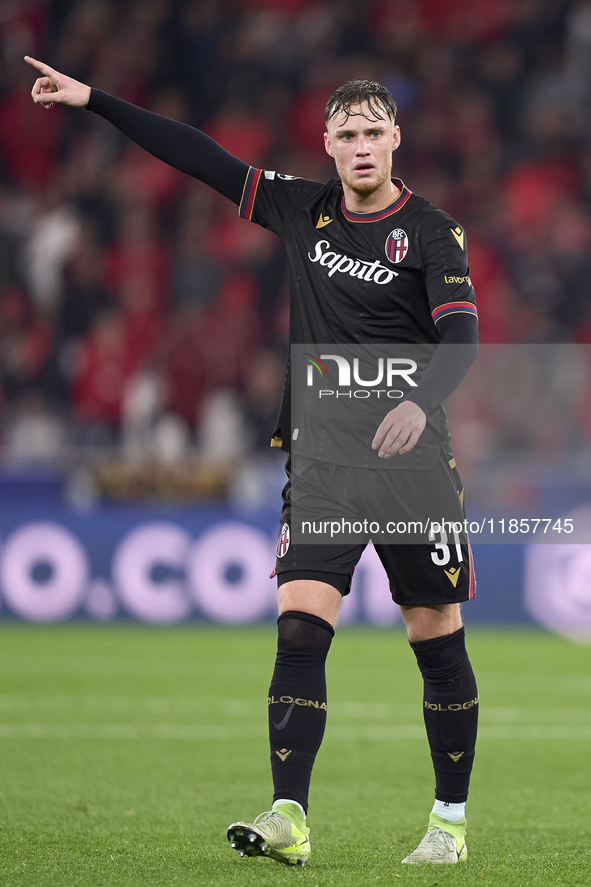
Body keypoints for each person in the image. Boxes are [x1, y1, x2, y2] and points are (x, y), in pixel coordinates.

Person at [26, 56, 479, 867]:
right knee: (299, 630)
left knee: (433, 636)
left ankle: (447, 822)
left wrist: (417, 402)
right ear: (329, 145)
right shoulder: (299, 208)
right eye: (348, 134)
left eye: (376, 131)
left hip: (412, 467)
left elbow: (461, 337)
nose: (363, 145)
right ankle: (288, 816)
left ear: (396, 138)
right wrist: (93, 100)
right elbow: (199, 156)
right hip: (323, 465)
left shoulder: (435, 232)